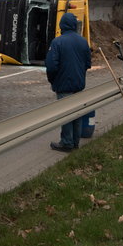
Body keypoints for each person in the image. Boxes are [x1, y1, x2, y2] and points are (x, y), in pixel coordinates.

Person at [45, 12, 92, 152]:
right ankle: (75, 142)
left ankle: (66, 143)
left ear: (62, 25)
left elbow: (51, 66)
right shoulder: (83, 41)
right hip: (79, 84)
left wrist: (52, 80)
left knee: (65, 114)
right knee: (76, 113)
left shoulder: (57, 42)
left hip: (63, 84)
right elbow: (88, 64)